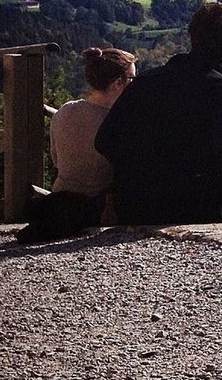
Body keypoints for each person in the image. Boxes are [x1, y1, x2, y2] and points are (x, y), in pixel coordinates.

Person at [94, 1, 222, 225]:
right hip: (194, 206)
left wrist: (143, 173)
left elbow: (104, 141)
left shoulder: (145, 82)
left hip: (136, 204)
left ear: (192, 35)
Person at [17, 47, 135, 243]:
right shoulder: (119, 121)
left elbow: (56, 159)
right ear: (117, 83)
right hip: (99, 207)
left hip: (59, 198)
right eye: (131, 79)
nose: (135, 84)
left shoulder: (65, 111)